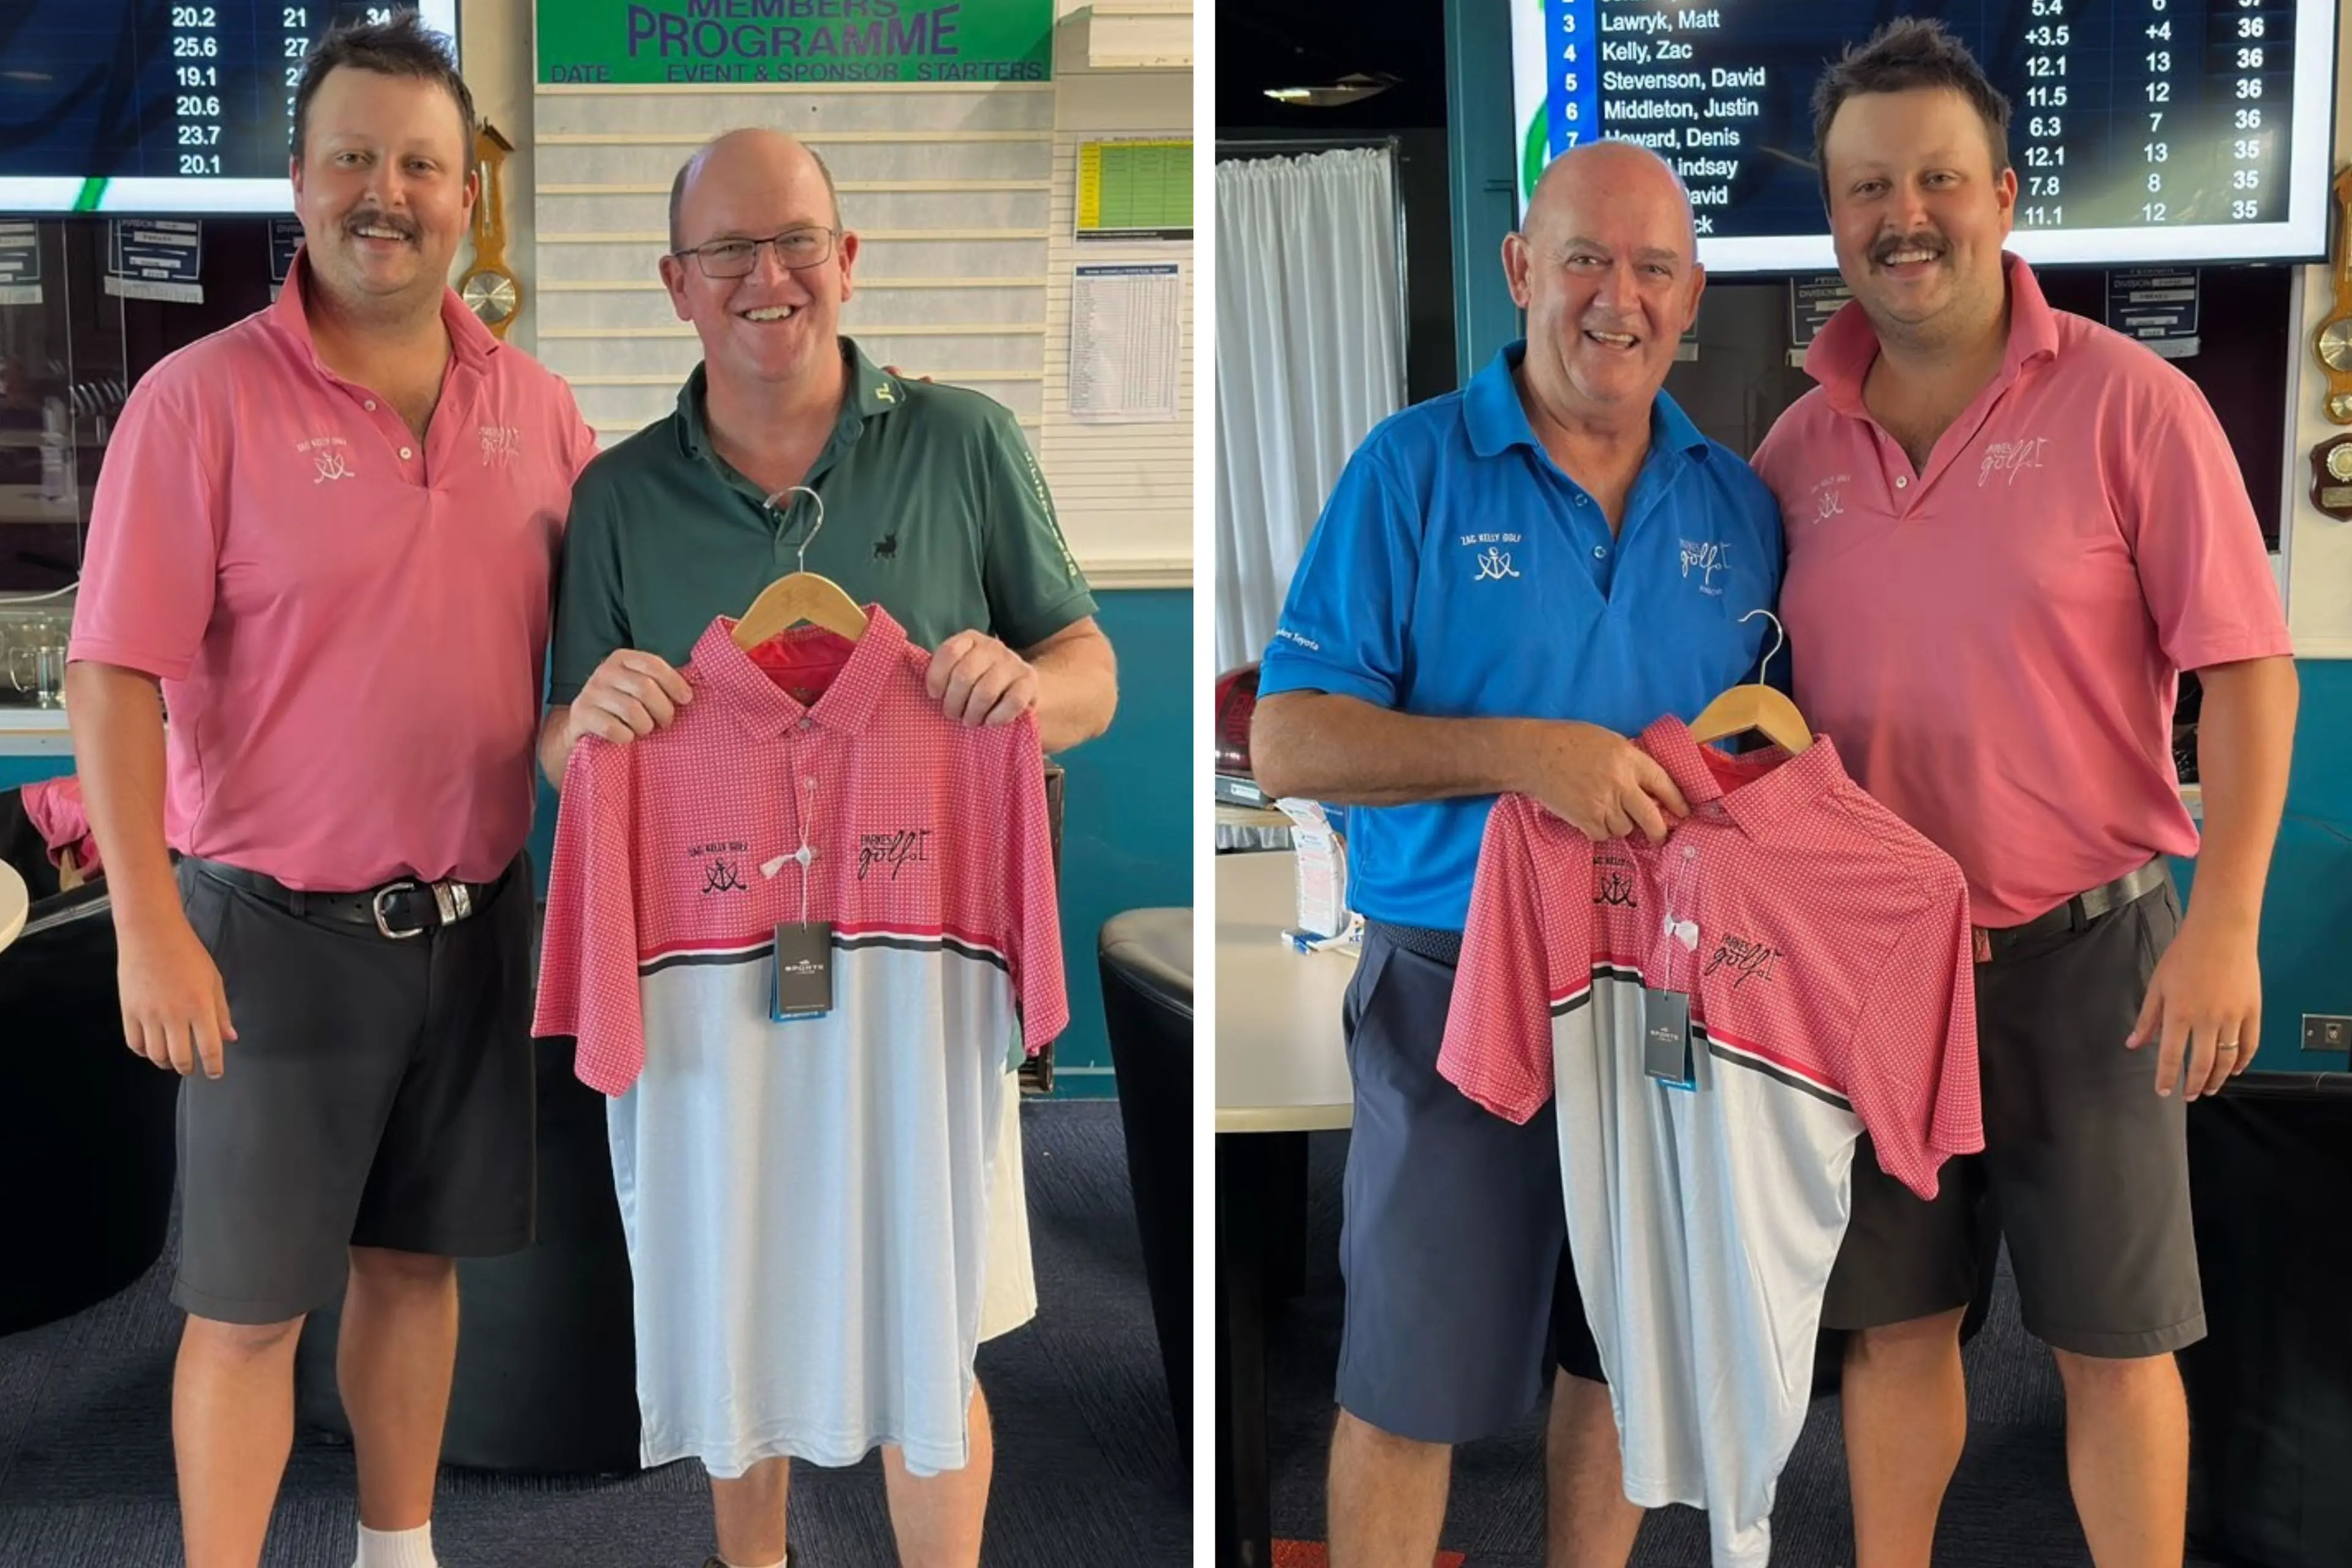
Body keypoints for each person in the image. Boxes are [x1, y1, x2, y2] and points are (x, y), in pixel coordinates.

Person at [1752, 20, 2298, 1568]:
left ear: (2002, 196)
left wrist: (2229, 926)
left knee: (2114, 1347)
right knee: (1895, 1328)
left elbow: (2254, 676)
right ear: (1836, 215)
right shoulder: (1796, 447)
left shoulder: (2135, 407)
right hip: (1875, 974)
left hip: (2095, 961)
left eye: (1935, 177)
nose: (1901, 214)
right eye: (1866, 186)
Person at [535, 127, 1117, 1568]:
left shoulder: (965, 439)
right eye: (727, 250)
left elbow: (1088, 663)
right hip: (713, 986)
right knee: (743, 1295)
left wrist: (1032, 694)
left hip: (917, 983)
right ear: (678, 284)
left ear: (847, 260)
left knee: (935, 1312)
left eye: (795, 239)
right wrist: (585, 727)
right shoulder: (615, 496)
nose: (766, 275)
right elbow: (561, 749)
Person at [63, 17, 595, 1568]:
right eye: (352, 157)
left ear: (466, 198)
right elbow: (114, 676)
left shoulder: (541, 411)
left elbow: (580, 680)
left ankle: (396, 1547)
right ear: (296, 181)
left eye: (421, 163)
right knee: (242, 1310)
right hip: (266, 936)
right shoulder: (198, 402)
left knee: (416, 1269)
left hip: (477, 919)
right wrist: (144, 928)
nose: (388, 191)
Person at [1247, 140, 1785, 1568]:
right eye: (1588, 261)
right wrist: (1521, 750)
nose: (1620, 299)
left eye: (1654, 269)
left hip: (1673, 1001)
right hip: (1455, 985)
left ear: (1692, 296)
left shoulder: (1740, 503)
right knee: (1408, 1382)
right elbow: (1292, 740)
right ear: (1521, 270)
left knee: (1614, 1362)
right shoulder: (1409, 467)